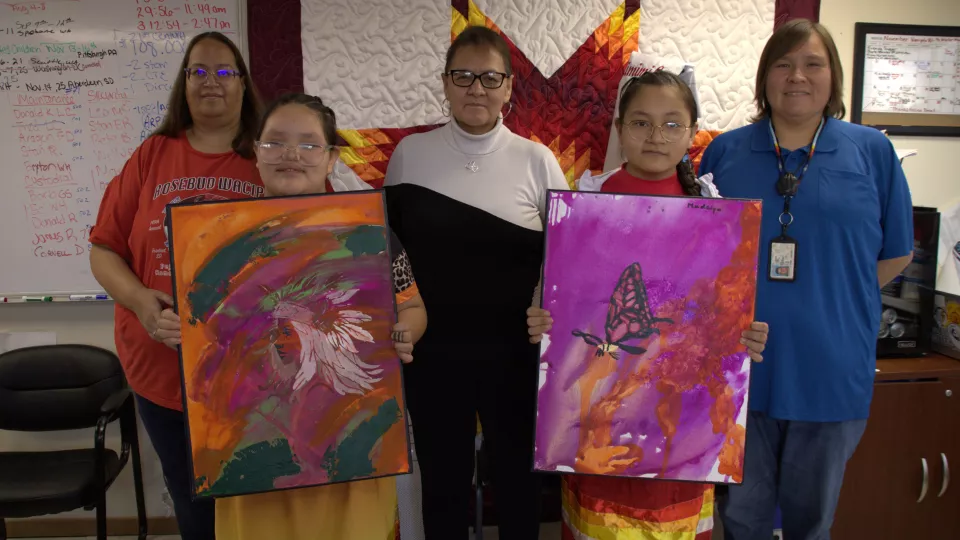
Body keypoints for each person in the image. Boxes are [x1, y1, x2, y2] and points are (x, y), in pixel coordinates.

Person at [525, 69, 769, 540]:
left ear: (692, 133)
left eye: (672, 124)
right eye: (641, 122)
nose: (657, 136)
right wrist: (543, 319)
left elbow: (721, 314)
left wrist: (744, 336)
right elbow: (557, 293)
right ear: (620, 129)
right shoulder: (586, 201)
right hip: (601, 414)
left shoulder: (714, 209)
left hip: (679, 416)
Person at [697, 19, 914, 540]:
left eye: (813, 64)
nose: (798, 76)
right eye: (783, 63)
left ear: (833, 78)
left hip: (830, 372)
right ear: (764, 77)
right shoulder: (724, 153)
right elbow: (699, 260)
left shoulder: (871, 152)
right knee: (743, 518)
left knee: (811, 522)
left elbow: (896, 255)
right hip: (741, 371)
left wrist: (834, 298)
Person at [209, 92, 427, 540]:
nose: (291, 155)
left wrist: (406, 331)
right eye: (275, 143)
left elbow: (413, 306)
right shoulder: (219, 243)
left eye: (309, 144)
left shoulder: (367, 236)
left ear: (331, 159)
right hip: (254, 453)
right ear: (256, 151)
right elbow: (207, 332)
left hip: (349, 443)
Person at [383, 25, 569, 539]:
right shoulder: (409, 156)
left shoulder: (538, 161)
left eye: (490, 77)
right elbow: (390, 258)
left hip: (516, 356)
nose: (476, 89)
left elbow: (566, 263)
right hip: (433, 355)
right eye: (463, 76)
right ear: (445, 83)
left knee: (518, 485)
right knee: (442, 485)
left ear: (510, 87)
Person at [89, 31, 264, 540]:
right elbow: (103, 251)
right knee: (192, 504)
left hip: (248, 377)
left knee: (251, 502)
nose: (211, 81)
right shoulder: (151, 155)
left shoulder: (269, 153)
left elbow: (308, 245)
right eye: (198, 71)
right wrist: (143, 303)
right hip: (161, 373)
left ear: (244, 84)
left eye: (224, 71)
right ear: (183, 84)